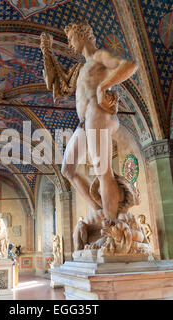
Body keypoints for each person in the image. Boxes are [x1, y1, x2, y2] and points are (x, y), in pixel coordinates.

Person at [40, 23, 138, 222]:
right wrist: (47, 51)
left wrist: (104, 85)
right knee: (68, 169)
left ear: (82, 35)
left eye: (71, 38)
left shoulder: (99, 56)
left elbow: (130, 65)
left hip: (99, 113)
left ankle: (112, 225)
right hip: (84, 123)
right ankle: (101, 212)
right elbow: (61, 83)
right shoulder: (81, 68)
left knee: (103, 170)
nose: (69, 43)